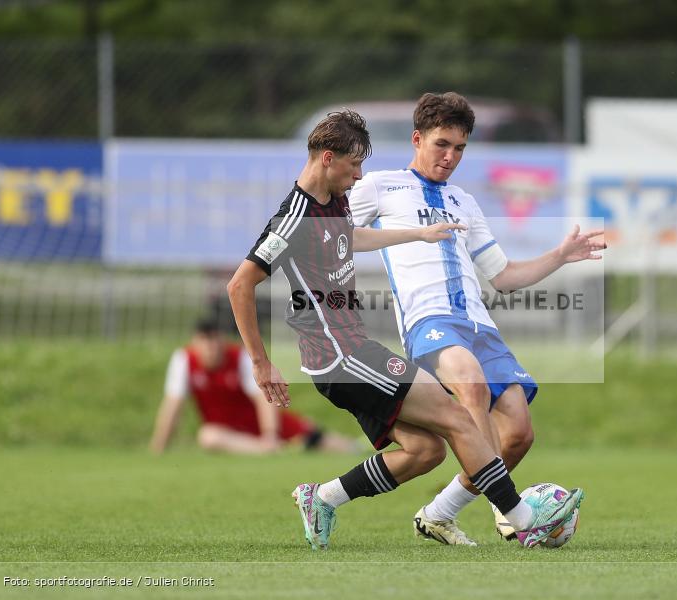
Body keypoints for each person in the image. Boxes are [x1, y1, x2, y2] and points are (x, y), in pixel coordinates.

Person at [226, 109, 583, 550]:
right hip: (341, 356)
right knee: (457, 416)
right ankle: (520, 516)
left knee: (425, 451)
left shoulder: (333, 200)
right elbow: (240, 283)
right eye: (354, 165)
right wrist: (261, 364)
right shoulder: (295, 217)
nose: (359, 176)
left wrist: (417, 235)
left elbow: (351, 237)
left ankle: (321, 498)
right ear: (326, 158)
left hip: (350, 350)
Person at [347, 92, 605, 545]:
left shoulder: (464, 201)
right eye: (441, 144)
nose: (450, 157)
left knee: (519, 434)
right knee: (471, 385)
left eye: (460, 148)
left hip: (479, 325)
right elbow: (336, 234)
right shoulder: (380, 186)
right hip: (429, 321)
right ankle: (513, 513)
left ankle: (439, 512)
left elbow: (503, 277)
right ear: (417, 138)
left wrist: (561, 256)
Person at [149, 318, 361, 455]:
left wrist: (270, 433)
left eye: (215, 340)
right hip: (232, 434)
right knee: (208, 436)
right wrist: (158, 448)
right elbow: (173, 406)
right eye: (205, 341)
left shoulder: (238, 357)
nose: (211, 347)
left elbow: (262, 398)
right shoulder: (183, 360)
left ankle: (361, 448)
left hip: (264, 426)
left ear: (221, 339)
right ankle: (269, 450)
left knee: (332, 444)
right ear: (195, 342)